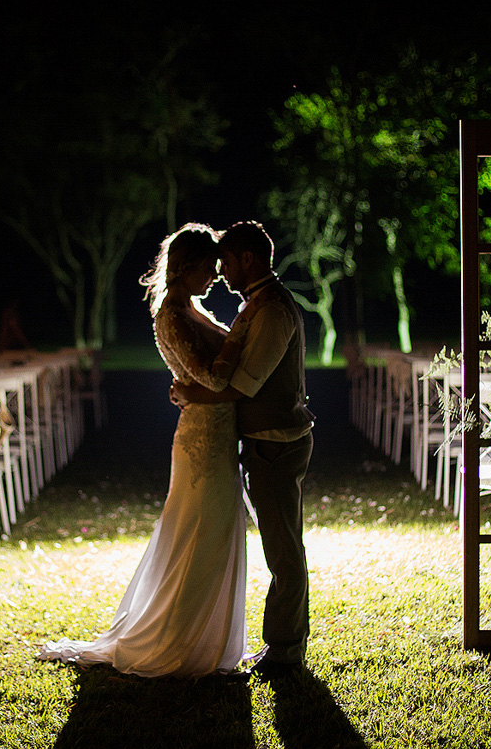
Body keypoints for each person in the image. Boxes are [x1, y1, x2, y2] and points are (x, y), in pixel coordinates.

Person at [38, 223, 247, 678]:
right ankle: (182, 639)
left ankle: (209, 638)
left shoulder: (189, 307)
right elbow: (211, 378)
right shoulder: (171, 315)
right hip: (203, 437)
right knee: (197, 533)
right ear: (187, 266)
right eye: (209, 268)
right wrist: (245, 364)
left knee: (210, 532)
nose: (214, 276)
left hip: (215, 431)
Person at [172, 220, 314, 679]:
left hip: (278, 442)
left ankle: (286, 649)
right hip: (265, 442)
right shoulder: (258, 304)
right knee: (280, 544)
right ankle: (282, 644)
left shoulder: (271, 310)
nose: (222, 271)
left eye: (227, 262)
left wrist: (191, 394)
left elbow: (244, 386)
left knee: (283, 548)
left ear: (248, 260)